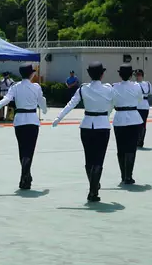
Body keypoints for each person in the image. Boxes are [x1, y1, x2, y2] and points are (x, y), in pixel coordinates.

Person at [53, 62, 113, 202]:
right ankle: (93, 190)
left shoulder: (83, 89)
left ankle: (93, 185)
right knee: (99, 159)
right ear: (102, 74)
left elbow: (71, 104)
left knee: (89, 159)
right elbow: (113, 103)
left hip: (86, 125)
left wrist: (59, 117)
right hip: (102, 125)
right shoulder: (109, 89)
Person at [0, 63, 47, 189]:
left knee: (22, 149)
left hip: (20, 120)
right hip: (32, 120)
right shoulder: (36, 87)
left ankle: (25, 176)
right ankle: (25, 176)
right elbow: (41, 100)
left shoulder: (15, 86)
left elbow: (6, 98)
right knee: (29, 150)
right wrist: (44, 110)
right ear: (32, 74)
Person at [111, 65, 145, 185]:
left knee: (121, 148)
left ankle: (123, 175)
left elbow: (112, 101)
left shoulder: (114, 86)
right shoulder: (136, 86)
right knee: (131, 148)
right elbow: (140, 99)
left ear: (120, 75)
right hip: (133, 118)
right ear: (131, 75)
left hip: (119, 118)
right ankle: (128, 176)